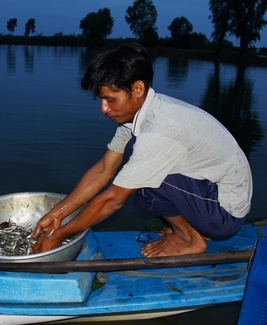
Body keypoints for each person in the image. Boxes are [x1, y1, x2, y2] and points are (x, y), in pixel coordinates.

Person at [31, 43, 252, 257]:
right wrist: (58, 214)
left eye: (110, 100)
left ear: (137, 88)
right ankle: (191, 229)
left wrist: (60, 236)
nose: (103, 109)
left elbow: (113, 200)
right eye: (101, 100)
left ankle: (189, 239)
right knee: (133, 157)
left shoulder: (157, 132)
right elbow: (104, 170)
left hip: (225, 214)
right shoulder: (142, 114)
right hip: (210, 194)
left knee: (143, 178)